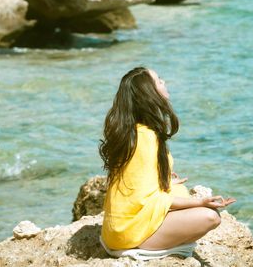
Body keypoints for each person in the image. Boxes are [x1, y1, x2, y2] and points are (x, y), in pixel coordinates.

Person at [99, 66, 235, 251]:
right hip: (126, 233)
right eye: (159, 81)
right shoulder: (145, 138)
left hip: (120, 226)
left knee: (179, 189)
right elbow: (148, 199)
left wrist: (163, 180)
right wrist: (200, 202)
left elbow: (137, 184)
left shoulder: (136, 131)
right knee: (211, 217)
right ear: (149, 94)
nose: (164, 82)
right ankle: (143, 248)